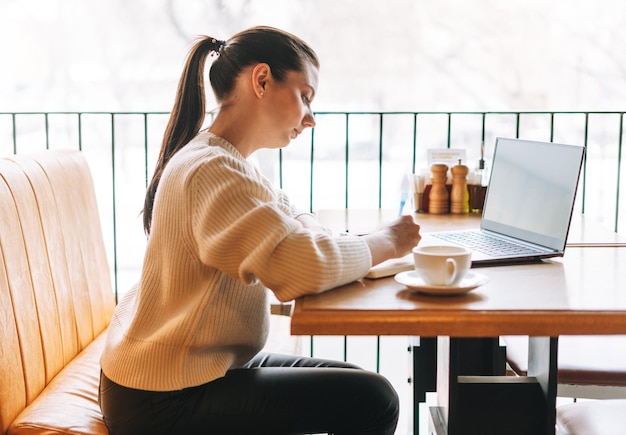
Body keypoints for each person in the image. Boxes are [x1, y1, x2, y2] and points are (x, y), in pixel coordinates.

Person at [98, 26, 421, 435]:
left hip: (199, 367)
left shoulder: (223, 159)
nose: (311, 119)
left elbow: (288, 211)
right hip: (162, 397)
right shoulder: (211, 170)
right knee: (373, 400)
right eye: (305, 97)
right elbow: (301, 266)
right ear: (262, 80)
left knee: (363, 386)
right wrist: (387, 241)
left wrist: (310, 231)